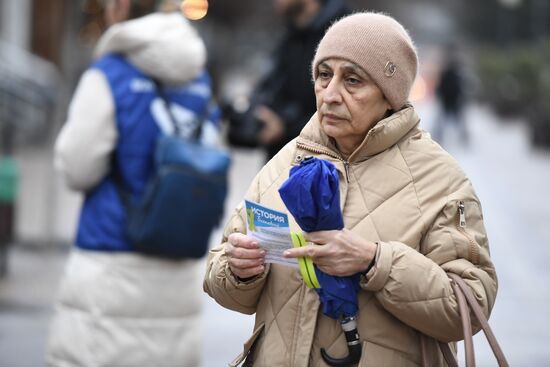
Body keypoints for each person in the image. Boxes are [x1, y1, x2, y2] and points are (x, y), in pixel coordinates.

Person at [204, 12, 498, 366]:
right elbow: (223, 282)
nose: (330, 95)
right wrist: (238, 270)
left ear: (390, 95)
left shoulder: (441, 180)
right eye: (324, 75)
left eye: (353, 80)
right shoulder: (283, 164)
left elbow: (468, 306)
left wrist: (376, 261)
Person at [46, 1, 219, 366]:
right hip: (179, 259)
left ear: (121, 7)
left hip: (110, 261)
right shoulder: (198, 76)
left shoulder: (110, 73)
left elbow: (78, 168)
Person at [228, 0, 349, 159]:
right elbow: (272, 87)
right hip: (281, 160)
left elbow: (348, 105)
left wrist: (285, 127)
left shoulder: (344, 34)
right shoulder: (291, 36)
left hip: (321, 166)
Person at [433, 52, 469, 145]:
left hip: (447, 101)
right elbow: (460, 89)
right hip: (453, 101)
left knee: (442, 121)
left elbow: (439, 88)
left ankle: (438, 136)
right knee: (458, 120)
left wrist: (440, 97)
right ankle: (464, 138)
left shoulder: (445, 75)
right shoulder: (456, 76)